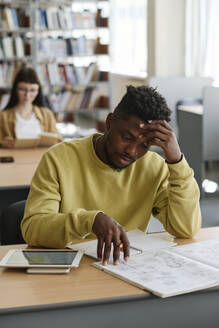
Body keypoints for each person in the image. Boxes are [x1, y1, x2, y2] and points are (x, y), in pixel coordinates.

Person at [21, 85, 201, 265]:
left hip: (123, 267)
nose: (132, 151)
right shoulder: (59, 158)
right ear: (109, 123)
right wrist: (88, 221)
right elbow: (33, 228)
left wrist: (176, 161)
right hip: (68, 269)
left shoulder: (154, 167)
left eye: (144, 145)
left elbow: (185, 229)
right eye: (126, 137)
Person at [0, 66, 61, 148]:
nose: (27, 95)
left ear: (38, 91)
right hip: (17, 159)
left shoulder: (47, 114)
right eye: (23, 89)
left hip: (41, 158)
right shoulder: (3, 116)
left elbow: (58, 140)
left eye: (32, 90)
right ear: (15, 90)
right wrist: (2, 144)